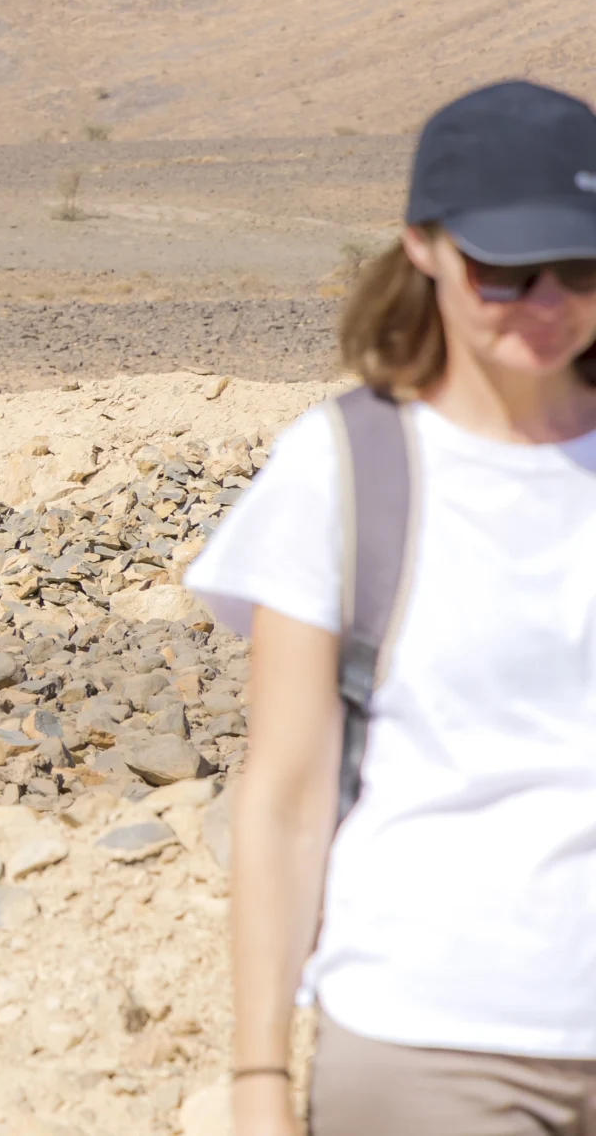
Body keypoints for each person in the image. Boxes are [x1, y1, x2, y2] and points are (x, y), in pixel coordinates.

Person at [191, 80, 596, 1136]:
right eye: (503, 271)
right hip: (430, 1048)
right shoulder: (342, 471)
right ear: (421, 246)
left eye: (582, 268)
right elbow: (282, 798)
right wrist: (258, 1081)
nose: (546, 304)